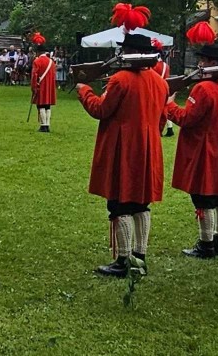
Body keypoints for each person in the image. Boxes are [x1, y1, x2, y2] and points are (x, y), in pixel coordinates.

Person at [77, 31, 168, 278]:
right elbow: (162, 119)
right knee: (141, 203)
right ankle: (140, 255)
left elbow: (101, 109)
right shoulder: (160, 81)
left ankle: (124, 259)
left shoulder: (120, 80)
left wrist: (84, 90)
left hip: (124, 146)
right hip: (148, 146)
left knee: (120, 204)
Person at [166, 41, 218, 260]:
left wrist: (170, 106)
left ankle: (206, 244)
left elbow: (187, 119)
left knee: (203, 197)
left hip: (205, 149)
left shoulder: (203, 88)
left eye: (203, 60)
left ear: (212, 63)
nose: (199, 63)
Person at [30, 36, 57, 132]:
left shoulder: (37, 61)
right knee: (47, 106)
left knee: (40, 105)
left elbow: (34, 76)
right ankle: (47, 124)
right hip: (49, 87)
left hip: (40, 86)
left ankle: (43, 125)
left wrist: (33, 87)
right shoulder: (52, 62)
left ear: (38, 52)